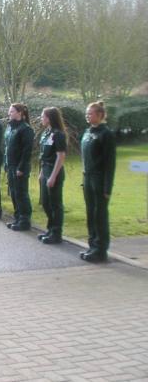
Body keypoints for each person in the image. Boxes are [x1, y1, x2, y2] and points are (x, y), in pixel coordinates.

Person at [80, 101, 116, 262]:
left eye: (91, 113)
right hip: (88, 177)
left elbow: (110, 163)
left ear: (100, 115)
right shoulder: (88, 132)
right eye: (87, 113)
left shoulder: (106, 134)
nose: (88, 115)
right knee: (90, 212)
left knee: (99, 214)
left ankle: (101, 249)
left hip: (99, 179)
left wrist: (107, 187)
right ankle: (92, 245)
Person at [37, 107, 67, 245]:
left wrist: (53, 176)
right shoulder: (46, 133)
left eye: (43, 116)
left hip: (54, 171)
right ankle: (50, 229)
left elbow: (60, 156)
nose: (41, 118)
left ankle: (56, 232)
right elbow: (44, 156)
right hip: (46, 169)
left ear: (49, 118)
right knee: (45, 202)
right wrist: (42, 174)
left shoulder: (58, 134)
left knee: (55, 204)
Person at [4, 103, 35, 231]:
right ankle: (17, 217)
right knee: (13, 192)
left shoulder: (25, 129)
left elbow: (27, 151)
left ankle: (24, 220)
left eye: (12, 111)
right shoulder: (10, 128)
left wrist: (21, 167)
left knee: (21, 193)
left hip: (19, 167)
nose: (9, 113)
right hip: (11, 165)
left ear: (20, 113)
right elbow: (7, 147)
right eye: (9, 111)